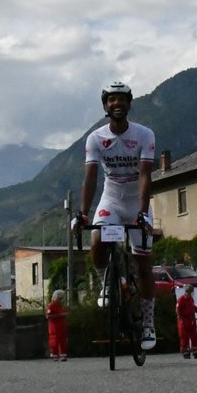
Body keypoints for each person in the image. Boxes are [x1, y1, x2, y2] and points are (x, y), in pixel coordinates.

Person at [75, 81, 159, 351]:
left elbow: (145, 174)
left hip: (137, 202)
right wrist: (83, 214)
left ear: (130, 104)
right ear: (105, 105)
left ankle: (148, 323)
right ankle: (107, 284)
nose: (117, 103)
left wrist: (144, 214)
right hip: (111, 198)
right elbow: (90, 177)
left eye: (122, 99)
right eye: (112, 99)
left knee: (144, 265)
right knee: (98, 240)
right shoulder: (96, 138)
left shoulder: (144, 134)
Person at [176, 284, 197, 359]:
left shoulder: (191, 299)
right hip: (184, 320)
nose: (191, 294)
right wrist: (180, 317)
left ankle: (196, 352)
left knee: (194, 336)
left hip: (191, 320)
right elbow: (178, 309)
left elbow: (192, 307)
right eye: (190, 292)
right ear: (187, 292)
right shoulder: (181, 299)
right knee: (184, 337)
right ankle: (185, 352)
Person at [46, 289, 69, 362]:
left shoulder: (60, 305)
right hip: (54, 327)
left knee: (63, 341)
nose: (62, 299)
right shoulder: (52, 305)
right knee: (54, 341)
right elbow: (48, 316)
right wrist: (59, 315)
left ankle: (63, 355)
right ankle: (55, 355)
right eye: (61, 297)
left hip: (62, 327)